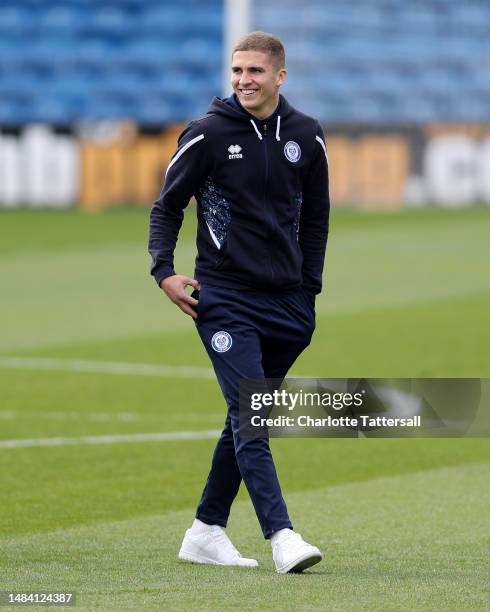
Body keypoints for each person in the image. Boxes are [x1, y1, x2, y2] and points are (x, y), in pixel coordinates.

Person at [148, 31, 329, 573]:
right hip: (224, 299)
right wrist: (164, 272)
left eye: (254, 71)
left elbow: (317, 217)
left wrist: (309, 288)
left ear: (280, 76)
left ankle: (205, 530)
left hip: (290, 306)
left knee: (246, 414)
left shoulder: (307, 136)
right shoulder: (206, 135)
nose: (243, 80)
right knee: (253, 414)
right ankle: (282, 537)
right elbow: (167, 207)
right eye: (236, 71)